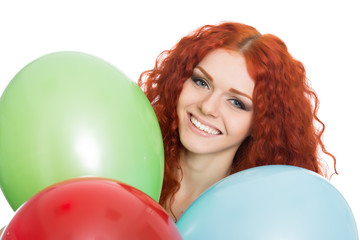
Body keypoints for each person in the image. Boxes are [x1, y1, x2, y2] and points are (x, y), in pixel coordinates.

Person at [138, 22, 337, 222]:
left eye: (236, 103)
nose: (207, 107)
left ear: (260, 124)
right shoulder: (132, 160)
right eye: (201, 82)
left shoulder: (260, 217)